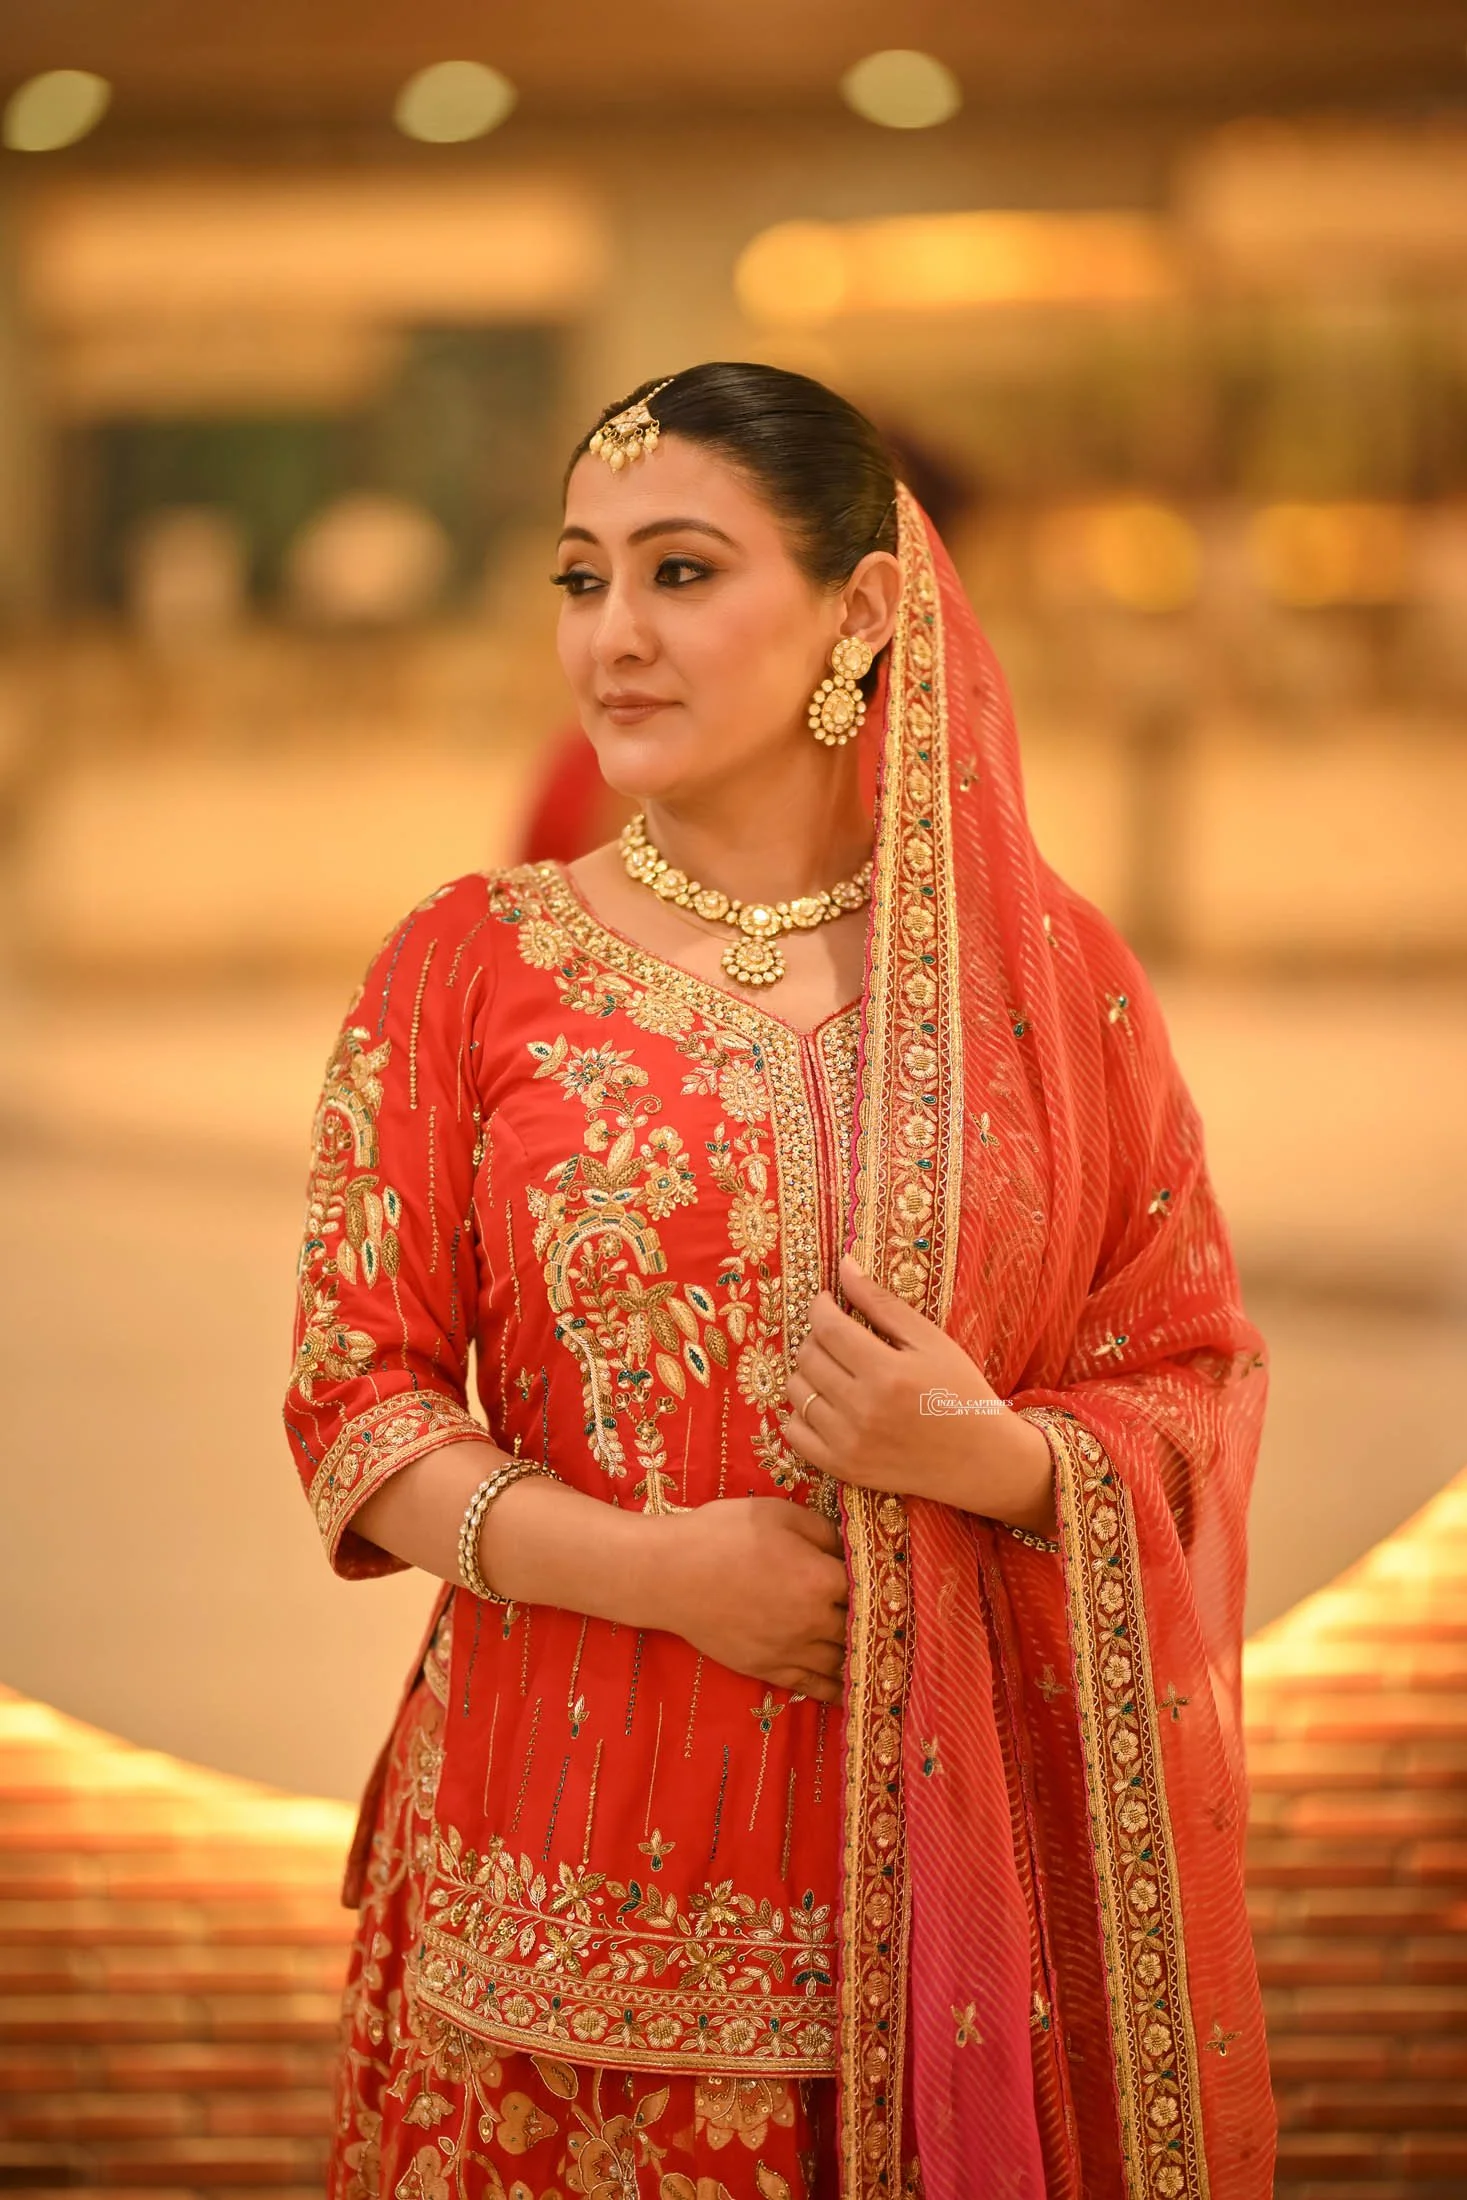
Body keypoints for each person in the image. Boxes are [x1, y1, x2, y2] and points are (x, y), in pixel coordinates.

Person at [284, 363, 1273, 2200]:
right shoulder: (463, 965)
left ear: (865, 612)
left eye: (681, 571)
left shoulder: (1045, 982)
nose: (614, 639)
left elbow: (1190, 1370)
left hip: (959, 1919)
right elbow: (358, 1407)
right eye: (582, 579)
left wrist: (978, 1453)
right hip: (550, 1888)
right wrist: (669, 1572)